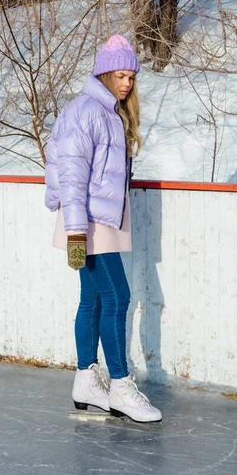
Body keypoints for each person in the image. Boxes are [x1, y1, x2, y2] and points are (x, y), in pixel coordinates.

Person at [44, 34, 162, 423]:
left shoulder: (109, 111)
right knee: (118, 298)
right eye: (120, 74)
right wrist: (77, 232)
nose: (127, 83)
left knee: (93, 300)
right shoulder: (86, 111)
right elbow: (72, 177)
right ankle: (121, 387)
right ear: (104, 72)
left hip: (100, 220)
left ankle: (85, 381)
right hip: (87, 223)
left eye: (131, 76)